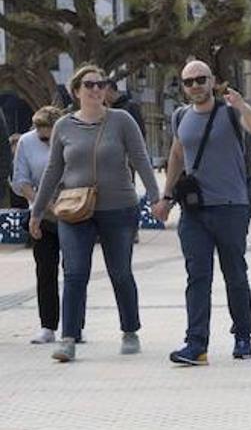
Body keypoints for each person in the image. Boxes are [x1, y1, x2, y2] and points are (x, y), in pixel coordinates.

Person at [29, 65, 163, 362]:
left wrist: (156, 198)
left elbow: (141, 159)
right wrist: (37, 211)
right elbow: (53, 170)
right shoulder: (63, 126)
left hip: (119, 208)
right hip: (74, 211)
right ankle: (68, 338)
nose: (96, 90)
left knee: (120, 272)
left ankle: (130, 331)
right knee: (75, 273)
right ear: (76, 91)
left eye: (101, 84)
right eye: (89, 85)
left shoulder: (122, 121)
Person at [152, 60, 251, 365]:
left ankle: (243, 336)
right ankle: (196, 344)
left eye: (201, 79)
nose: (195, 86)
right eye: (188, 82)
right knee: (197, 277)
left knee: (235, 275)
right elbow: (177, 155)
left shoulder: (229, 111)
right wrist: (165, 197)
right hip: (194, 211)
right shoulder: (180, 117)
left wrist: (242, 105)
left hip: (231, 207)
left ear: (212, 80)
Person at [10, 106, 64, 343]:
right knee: (45, 271)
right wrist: (41, 204)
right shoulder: (26, 142)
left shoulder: (67, 137)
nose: (46, 140)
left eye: (49, 136)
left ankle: (75, 325)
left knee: (74, 272)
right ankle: (48, 325)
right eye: (42, 136)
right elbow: (21, 179)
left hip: (71, 210)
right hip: (40, 216)